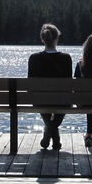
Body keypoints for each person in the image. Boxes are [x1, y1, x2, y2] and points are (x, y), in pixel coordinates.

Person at [27, 23, 72, 151]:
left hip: (39, 100)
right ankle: (54, 138)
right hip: (62, 101)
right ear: (57, 38)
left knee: (41, 98)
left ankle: (48, 135)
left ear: (42, 39)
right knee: (63, 100)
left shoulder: (34, 58)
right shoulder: (66, 58)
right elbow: (69, 85)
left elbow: (30, 85)